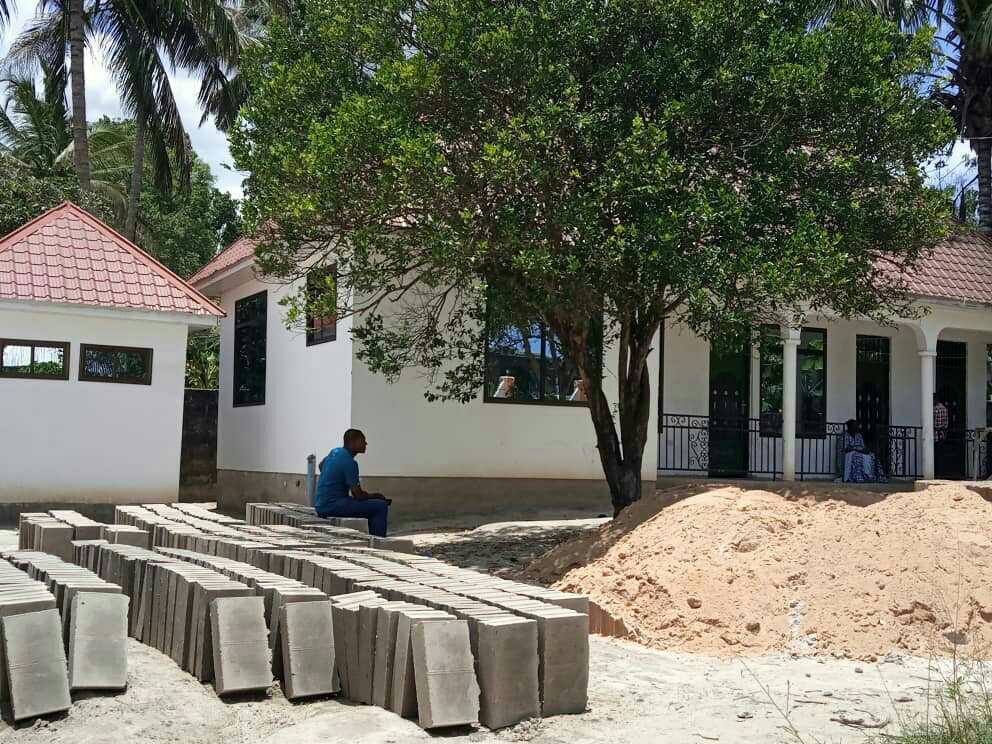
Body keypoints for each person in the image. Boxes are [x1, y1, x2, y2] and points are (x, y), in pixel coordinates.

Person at [314, 429, 390, 537]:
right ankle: (379, 541)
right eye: (362, 440)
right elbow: (358, 495)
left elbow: (321, 466)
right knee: (380, 506)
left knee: (368, 504)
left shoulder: (335, 452)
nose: (366, 444)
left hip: (320, 504)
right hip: (332, 506)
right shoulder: (350, 462)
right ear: (352, 442)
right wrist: (376, 496)